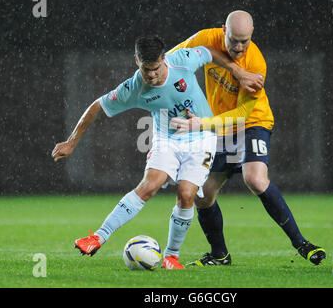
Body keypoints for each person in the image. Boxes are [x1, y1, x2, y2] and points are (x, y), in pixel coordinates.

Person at [51, 35, 258, 269]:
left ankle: (171, 256)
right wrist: (71, 141)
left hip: (201, 138)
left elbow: (210, 52)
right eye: (145, 69)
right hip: (166, 140)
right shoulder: (133, 88)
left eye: (156, 68)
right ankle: (98, 236)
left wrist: (239, 73)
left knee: (187, 194)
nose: (150, 75)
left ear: (164, 59)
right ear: (136, 60)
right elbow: (97, 106)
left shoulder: (182, 59)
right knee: (149, 186)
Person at [169, 10, 326, 266]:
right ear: (223, 31)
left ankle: (301, 243)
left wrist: (200, 124)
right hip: (218, 125)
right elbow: (172, 59)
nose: (239, 47)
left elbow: (242, 115)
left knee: (254, 178)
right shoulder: (205, 38)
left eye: (245, 40)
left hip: (252, 122)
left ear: (252, 36)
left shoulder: (256, 64)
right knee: (201, 194)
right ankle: (220, 255)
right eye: (234, 40)